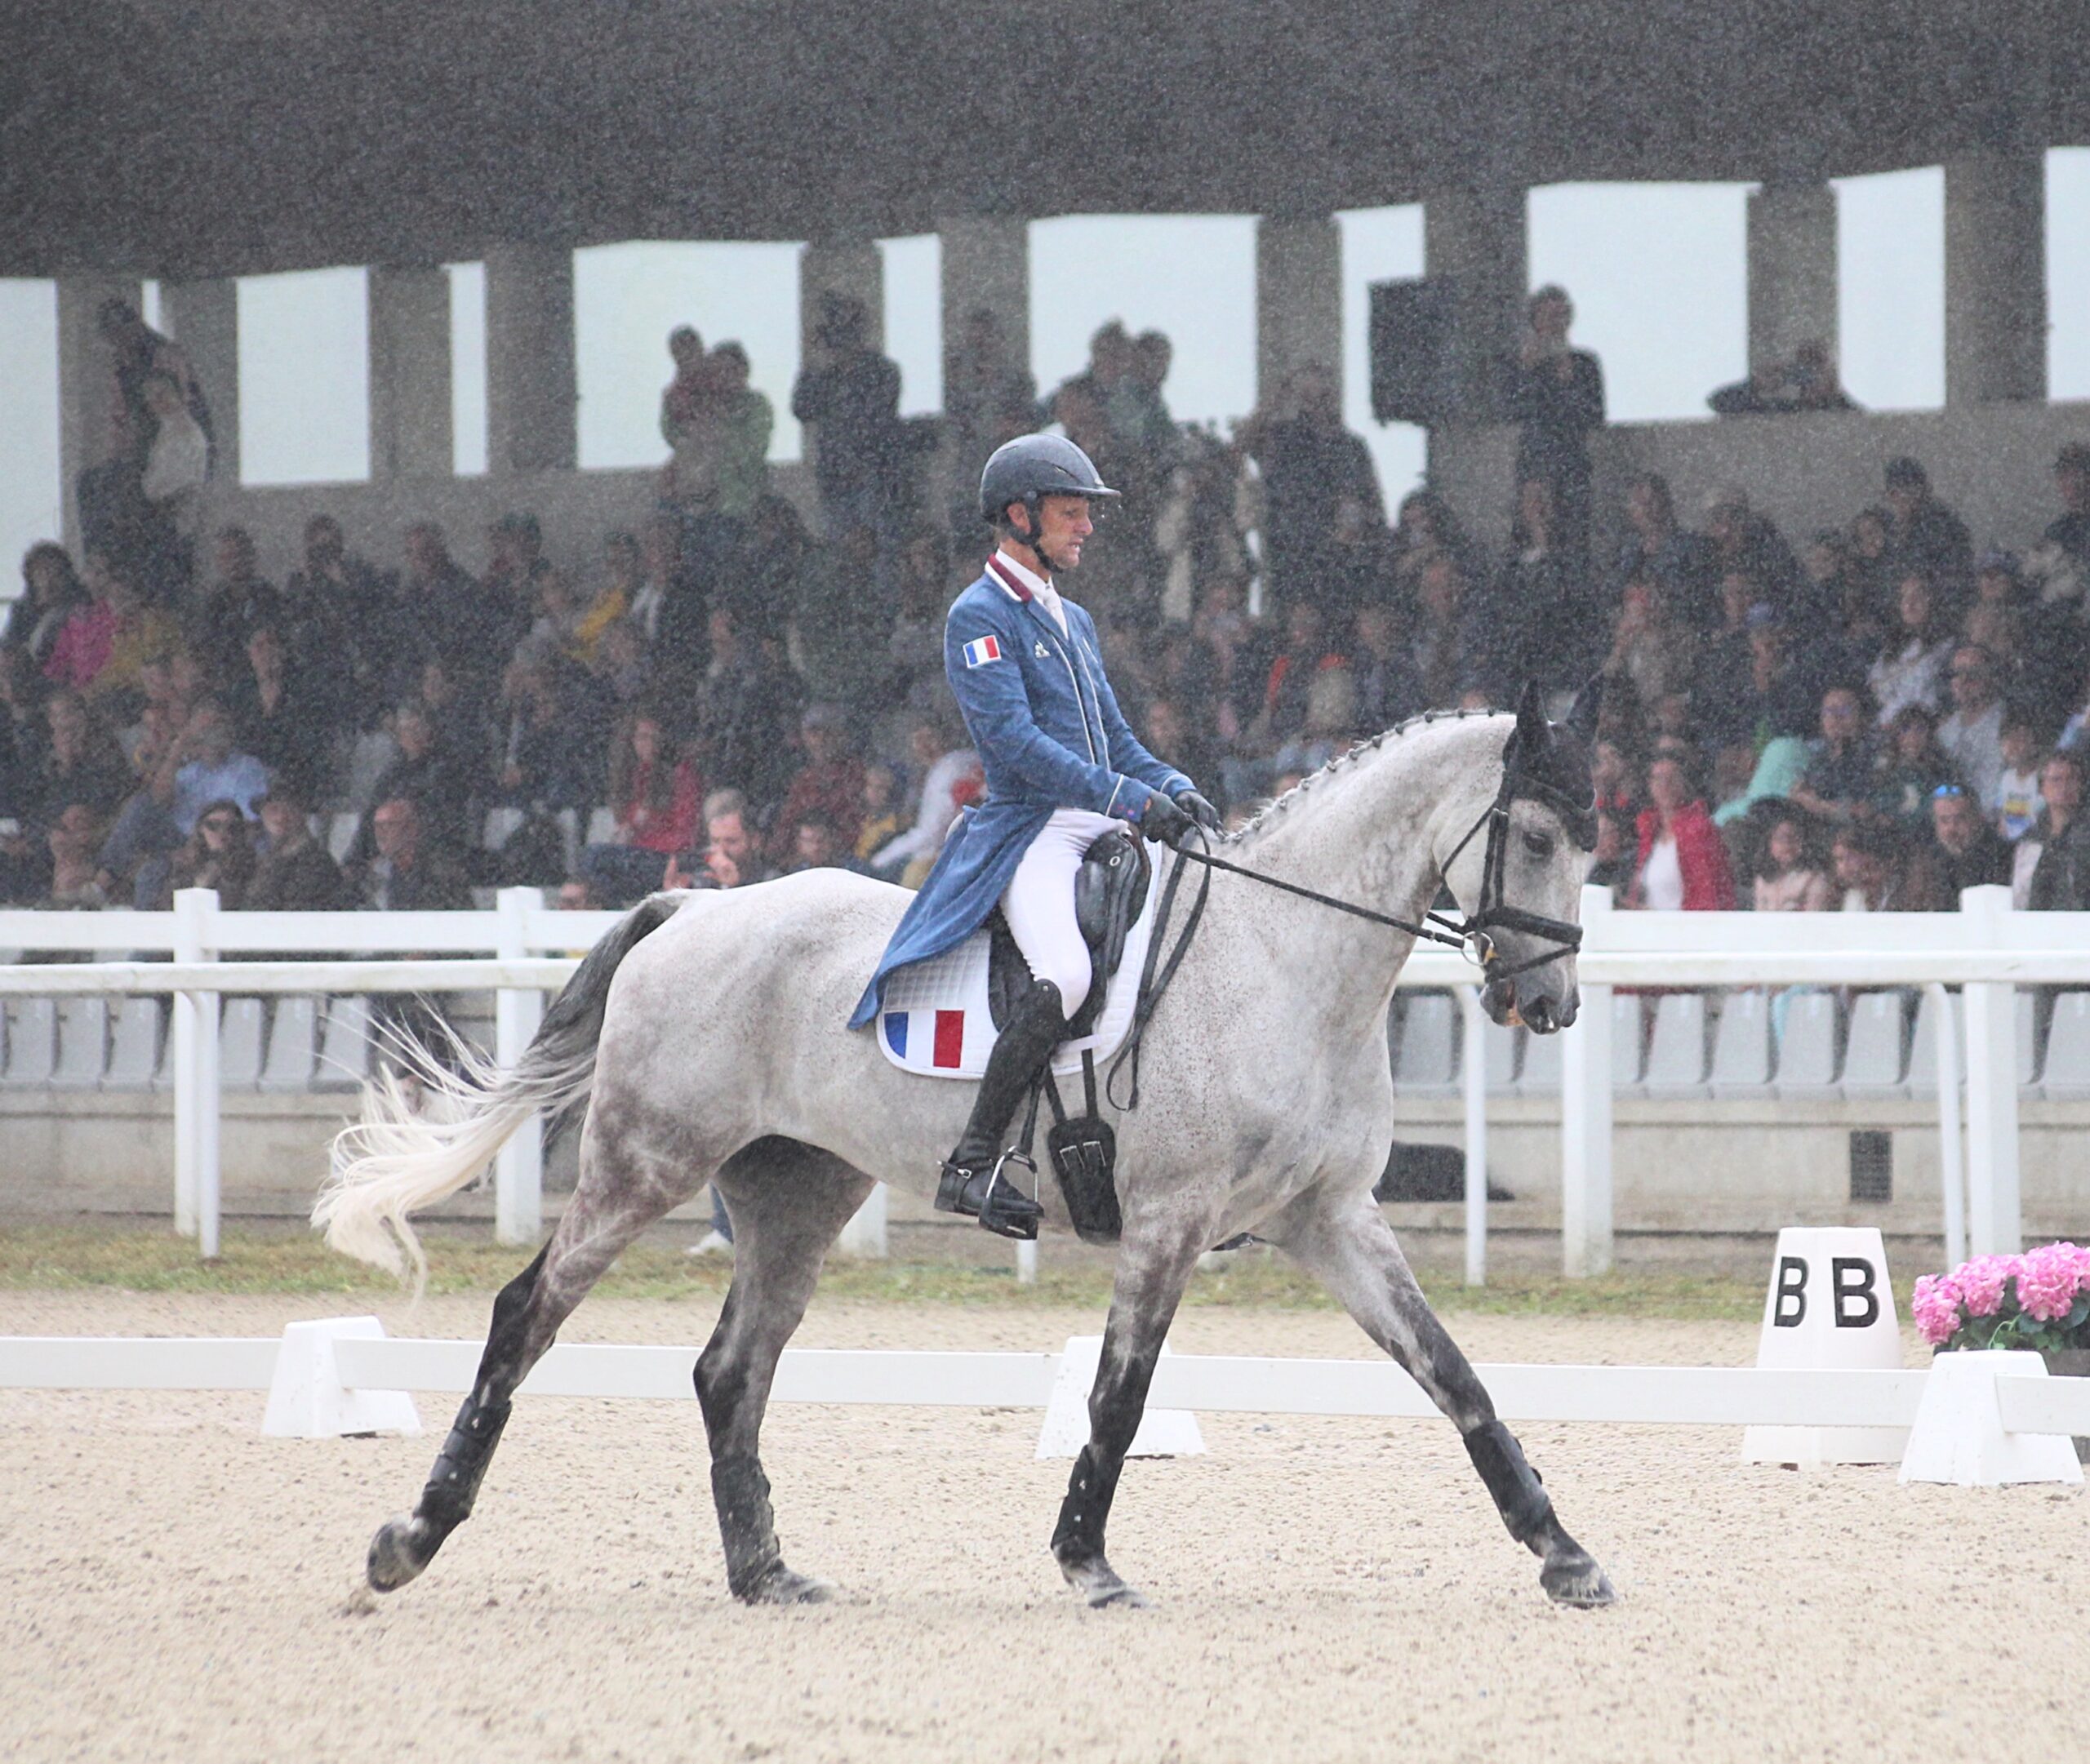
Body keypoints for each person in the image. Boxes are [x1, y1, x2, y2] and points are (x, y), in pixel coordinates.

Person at [850, 434, 1219, 1238]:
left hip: (1099, 815)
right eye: (1070, 512)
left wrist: (1175, 787)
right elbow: (1016, 746)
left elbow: (1114, 740)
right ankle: (972, 1161)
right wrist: (1127, 796)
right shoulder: (976, 617)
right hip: (1031, 830)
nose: (1085, 527)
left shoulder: (1075, 619)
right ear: (1019, 517)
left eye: (1086, 513)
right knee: (1066, 974)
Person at [1509, 285, 1604, 563]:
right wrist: (1527, 373)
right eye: (1548, 316)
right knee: (1534, 539)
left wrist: (1568, 379)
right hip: (1535, 463)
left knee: (1573, 539)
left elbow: (1594, 414)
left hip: (1571, 464)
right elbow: (1513, 410)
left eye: (1562, 315)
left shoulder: (1584, 363)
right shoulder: (1521, 365)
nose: (1555, 324)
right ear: (1534, 320)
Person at [1628, 754, 1734, 911]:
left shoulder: (1699, 830)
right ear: (1649, 785)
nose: (1665, 785)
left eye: (1672, 778)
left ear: (1684, 783)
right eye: (1658, 778)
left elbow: (1708, 895)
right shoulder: (1649, 831)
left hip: (1687, 929)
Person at [247, 783, 349, 912]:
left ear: (302, 814)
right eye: (273, 810)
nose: (281, 817)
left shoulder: (316, 863)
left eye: (289, 809)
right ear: (262, 816)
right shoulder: (263, 860)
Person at [1912, 784, 2011, 908]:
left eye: (1960, 819)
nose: (1951, 828)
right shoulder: (1927, 860)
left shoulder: (2000, 857)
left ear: (1977, 818)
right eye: (1944, 820)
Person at [1936, 643, 2007, 810]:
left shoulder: (2006, 726)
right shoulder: (1945, 730)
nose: (1963, 681)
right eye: (1956, 674)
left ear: (1993, 678)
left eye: (1973, 673)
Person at [1752, 814, 1834, 912]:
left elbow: (1813, 919)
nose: (1787, 844)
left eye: (1793, 837)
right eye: (1780, 838)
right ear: (1770, 844)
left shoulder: (1815, 879)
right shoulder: (1762, 880)